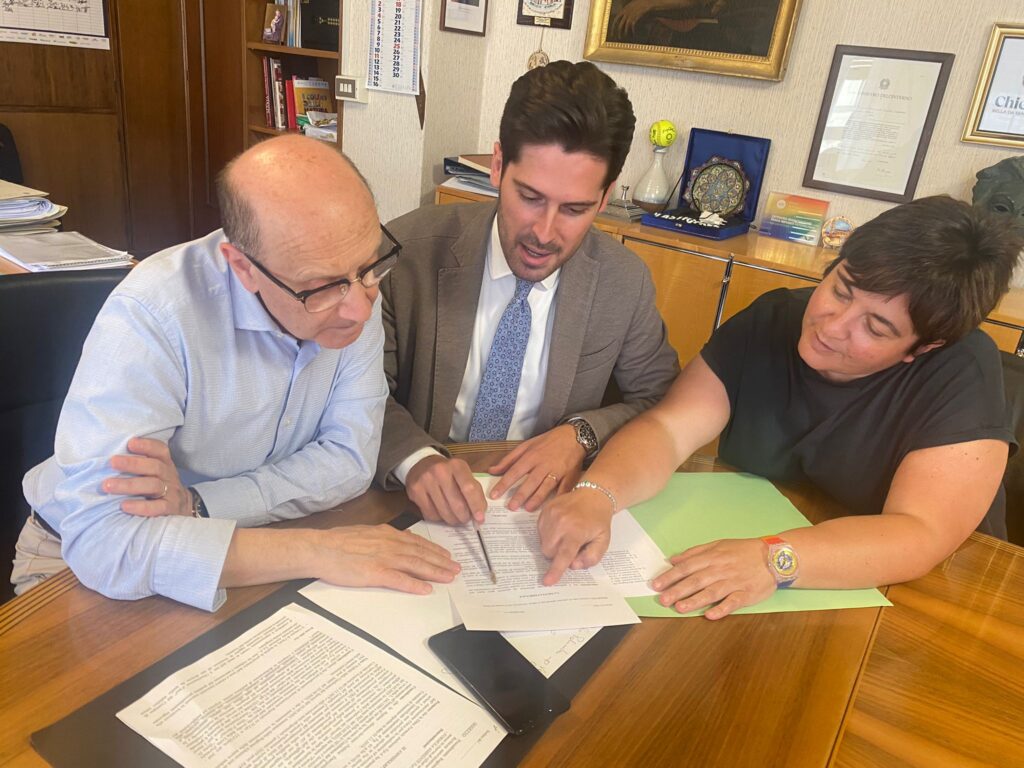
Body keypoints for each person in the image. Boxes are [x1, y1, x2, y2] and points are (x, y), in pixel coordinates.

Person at [11, 135, 459, 611]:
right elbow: (106, 542)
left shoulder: (351, 285)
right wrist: (319, 551)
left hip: (237, 538)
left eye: (371, 266)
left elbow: (350, 461)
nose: (361, 311)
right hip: (67, 561)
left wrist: (196, 506)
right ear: (243, 268)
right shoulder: (154, 313)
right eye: (321, 288)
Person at [538, 195, 1023, 618]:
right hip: (756, 567)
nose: (833, 326)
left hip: (915, 593)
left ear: (924, 347)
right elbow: (668, 429)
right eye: (840, 290)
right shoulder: (773, 319)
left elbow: (920, 533)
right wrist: (598, 493)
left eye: (875, 328)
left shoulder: (961, 371)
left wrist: (774, 560)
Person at [378, 60, 679, 525]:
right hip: (410, 499)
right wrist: (414, 459)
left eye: (575, 209)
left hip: (544, 507)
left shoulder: (623, 281)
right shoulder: (406, 253)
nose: (544, 232)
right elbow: (352, 392)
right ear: (498, 167)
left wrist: (582, 435)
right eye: (530, 197)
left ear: (604, 198)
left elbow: (665, 405)